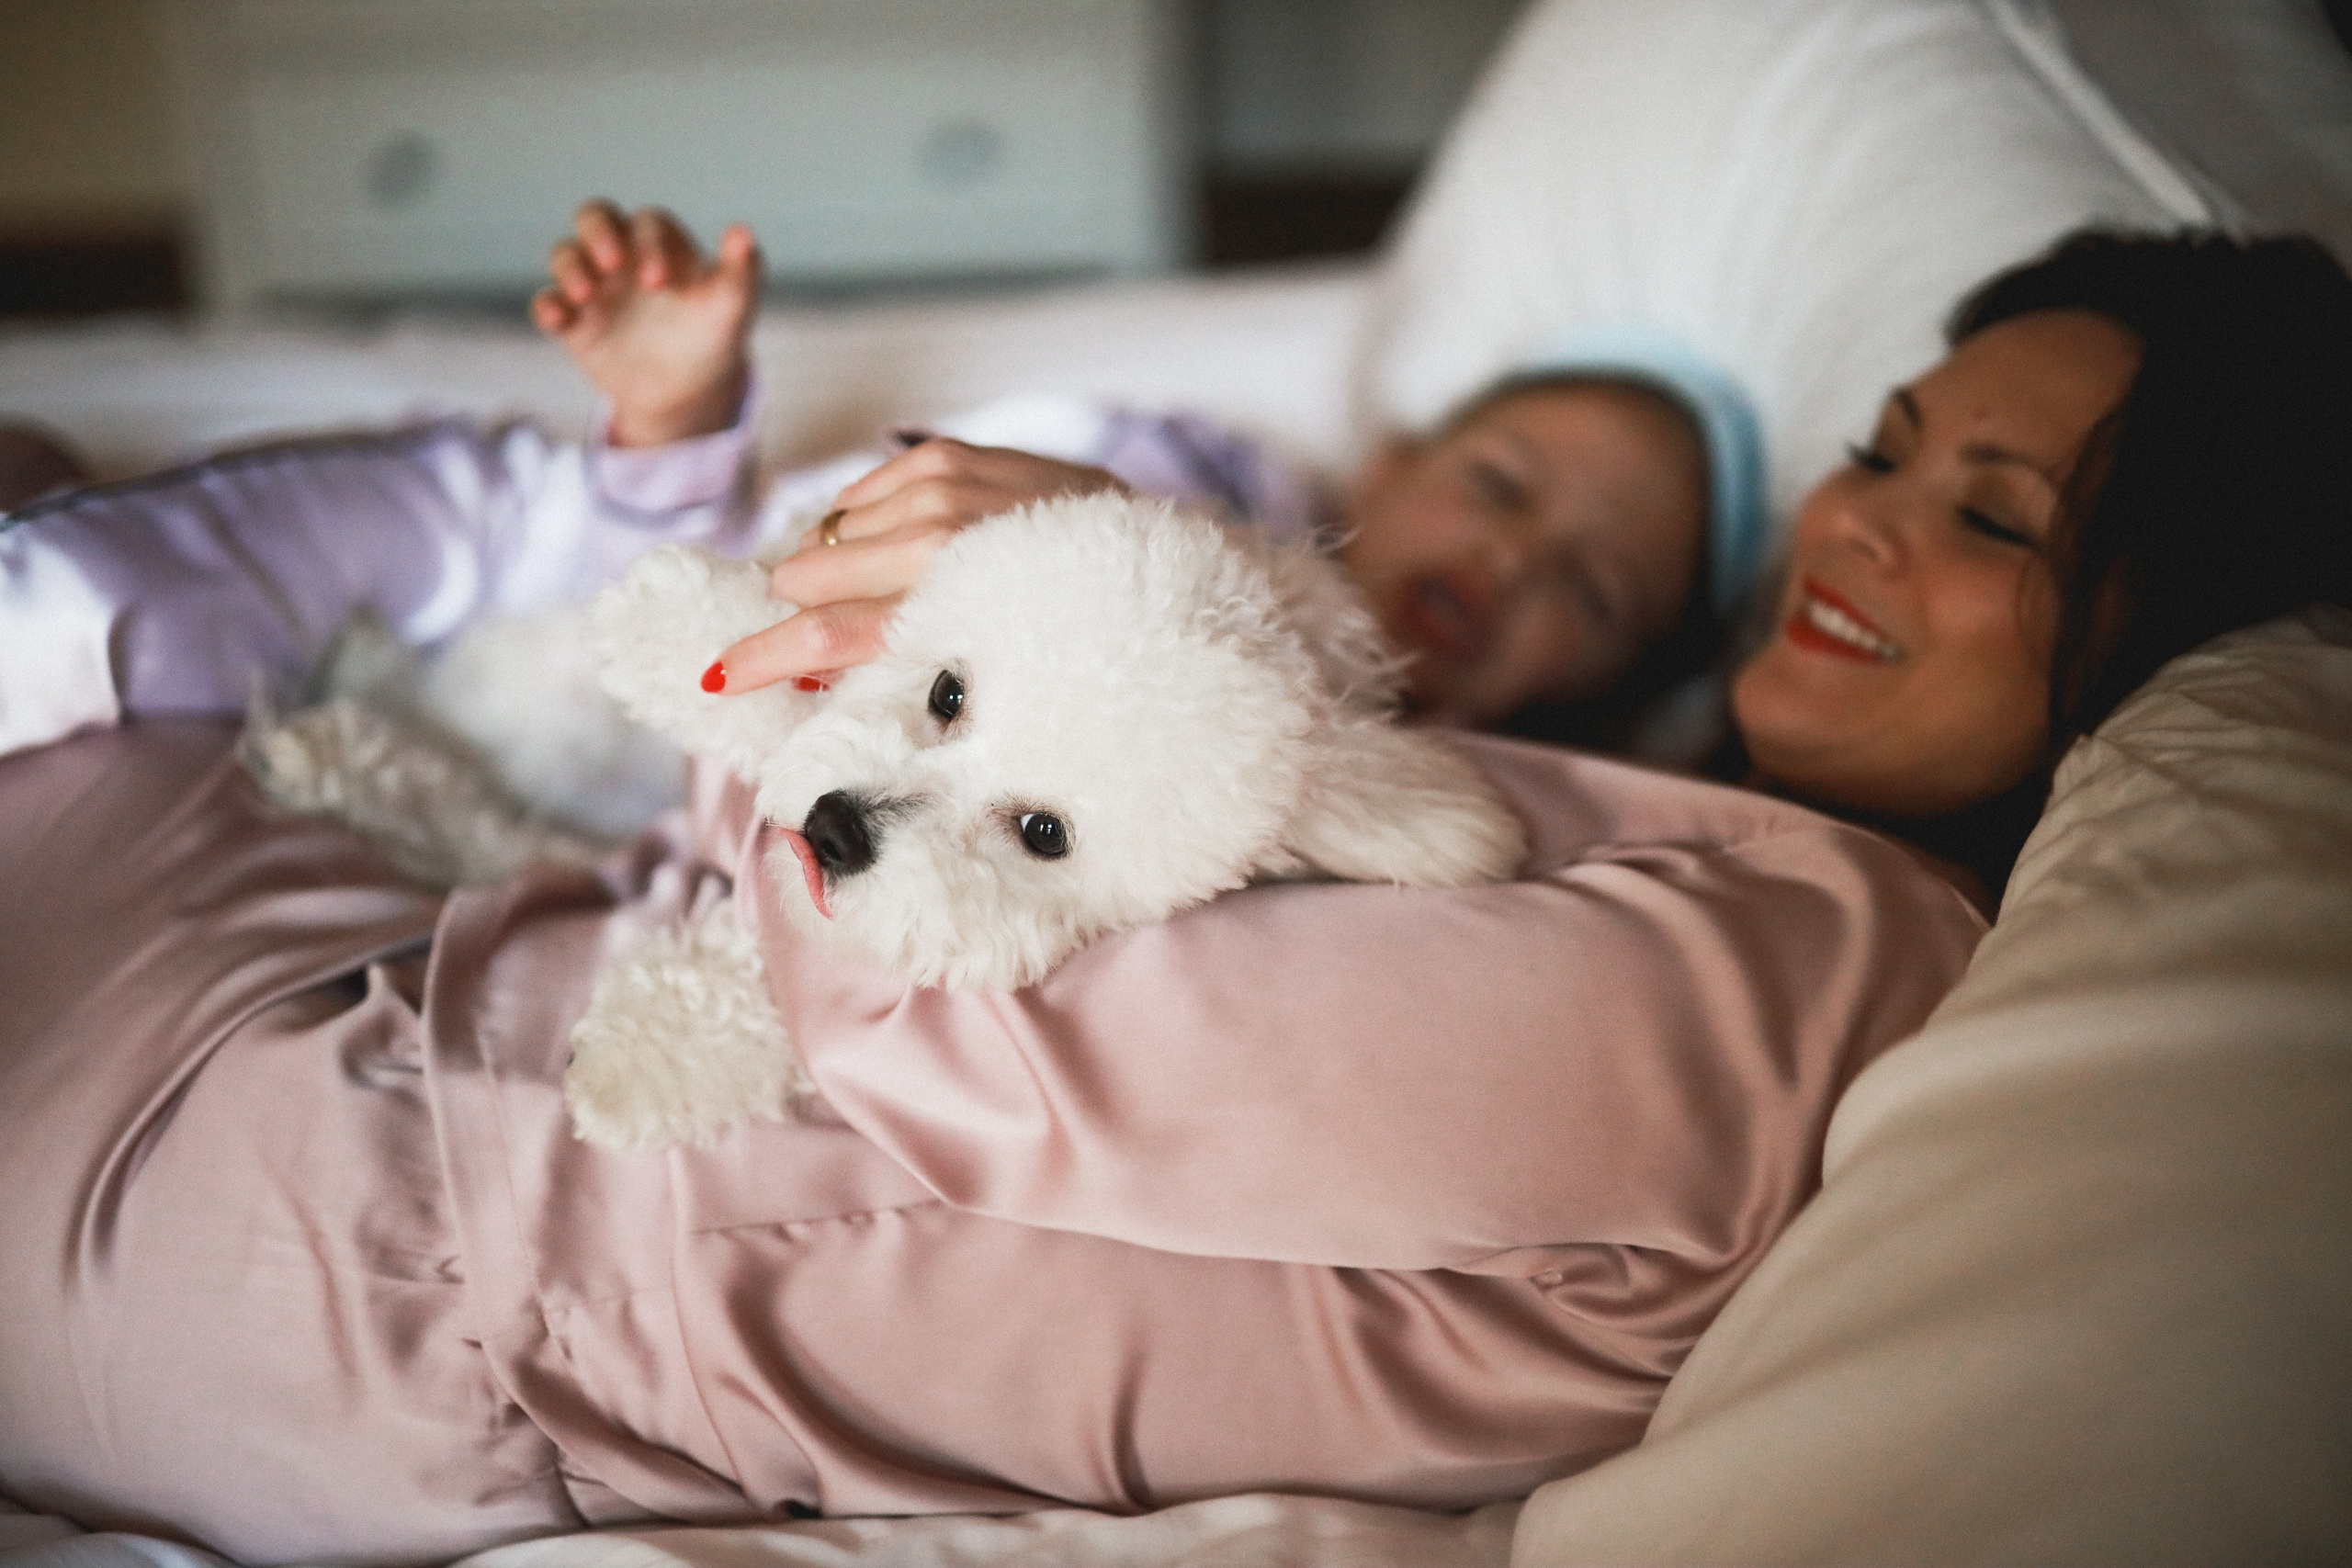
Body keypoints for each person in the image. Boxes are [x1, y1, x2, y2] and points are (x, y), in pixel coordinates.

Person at [2, 226, 2346, 1565]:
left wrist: (1046, 590)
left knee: (80, 624)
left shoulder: (1810, 967)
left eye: (1994, 517)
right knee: (108, 606)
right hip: (395, 1077)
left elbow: (935, 971)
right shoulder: (1701, 852)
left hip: (356, 1220)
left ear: (2160, 629)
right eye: (1883, 450)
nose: (1863, 526)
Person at [0, 201, 1761, 768]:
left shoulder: (1397, 773)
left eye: (1590, 588)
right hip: (629, 587)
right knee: (437, 514)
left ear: (1604, 688)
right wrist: (675, 430)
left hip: (653, 771)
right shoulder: (1206, 465)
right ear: (1397, 461)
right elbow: (767, 558)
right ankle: (59, 572)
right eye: (1504, 483)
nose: (1516, 557)